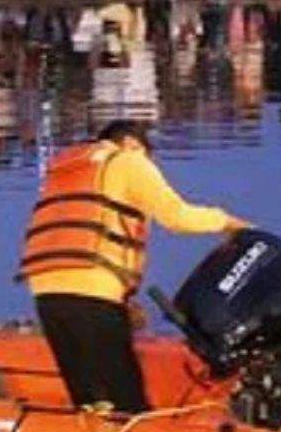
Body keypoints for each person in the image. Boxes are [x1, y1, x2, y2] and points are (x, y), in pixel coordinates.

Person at [17, 120, 248, 412]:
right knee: (125, 399)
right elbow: (177, 216)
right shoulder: (128, 162)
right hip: (94, 291)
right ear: (132, 144)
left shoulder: (67, 170)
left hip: (47, 292)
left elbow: (82, 235)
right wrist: (229, 223)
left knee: (88, 398)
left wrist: (122, 301)